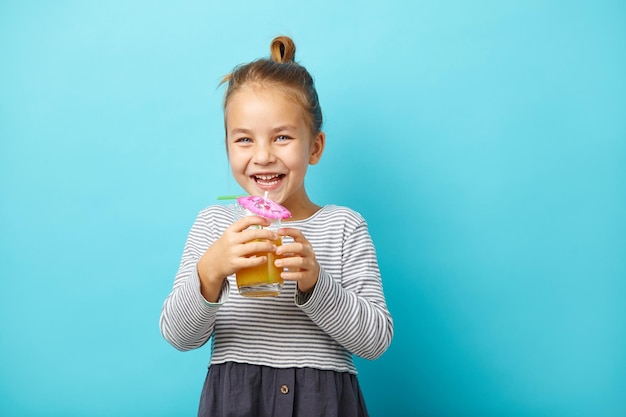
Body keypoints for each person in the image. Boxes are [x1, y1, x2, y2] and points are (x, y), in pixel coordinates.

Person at [160, 35, 394, 417]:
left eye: (282, 137)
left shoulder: (344, 227)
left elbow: (376, 341)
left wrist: (316, 284)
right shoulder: (215, 224)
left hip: (324, 404)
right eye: (244, 140)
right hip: (236, 401)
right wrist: (211, 271)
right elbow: (178, 335)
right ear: (228, 148)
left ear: (314, 148)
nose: (263, 156)